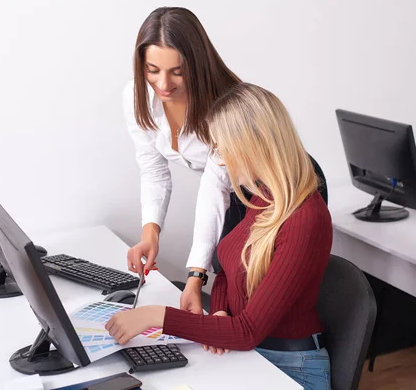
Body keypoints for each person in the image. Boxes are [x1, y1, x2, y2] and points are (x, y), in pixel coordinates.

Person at [108, 83, 333, 390]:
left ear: (253, 145)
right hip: (253, 355)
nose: (220, 160)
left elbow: (246, 331)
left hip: (291, 369)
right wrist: (219, 309)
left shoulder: (304, 219)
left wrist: (156, 316)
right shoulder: (262, 196)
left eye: (221, 147)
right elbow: (229, 264)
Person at [123, 7, 240, 314]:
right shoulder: (138, 97)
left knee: (239, 284)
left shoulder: (225, 107)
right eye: (152, 70)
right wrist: (150, 232)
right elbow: (153, 171)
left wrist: (195, 276)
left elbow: (215, 188)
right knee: (224, 275)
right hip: (230, 193)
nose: (163, 83)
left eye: (177, 71)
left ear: (197, 64)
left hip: (276, 192)